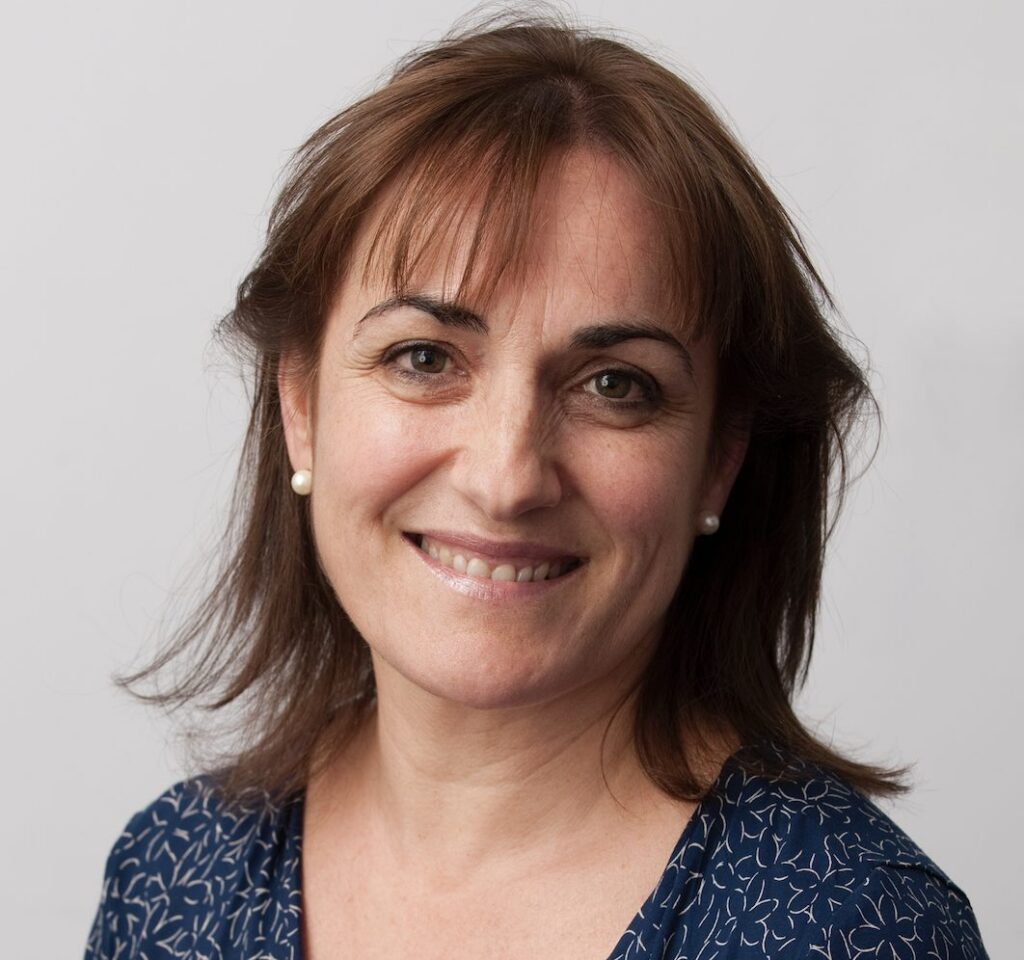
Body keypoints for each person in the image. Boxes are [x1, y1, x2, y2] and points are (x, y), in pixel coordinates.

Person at [83, 10, 989, 960]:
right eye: (425, 357)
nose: (508, 477)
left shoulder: (847, 930)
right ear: (301, 405)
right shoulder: (173, 875)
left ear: (721, 456)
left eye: (614, 386)